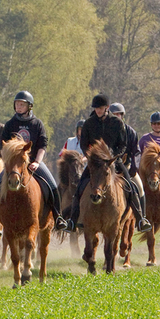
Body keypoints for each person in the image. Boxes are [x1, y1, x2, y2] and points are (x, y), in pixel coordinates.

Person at [0, 91, 67, 237]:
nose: (18, 107)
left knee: (52, 186)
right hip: (14, 165)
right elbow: (4, 145)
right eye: (17, 104)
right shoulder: (11, 124)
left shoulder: (37, 123)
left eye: (22, 104)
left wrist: (37, 162)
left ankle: (58, 217)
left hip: (33, 162)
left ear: (29, 106)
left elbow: (42, 145)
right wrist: (9, 161)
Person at [65, 94, 152, 233]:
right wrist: (91, 156)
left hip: (114, 162)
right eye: (96, 108)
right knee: (80, 187)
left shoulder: (117, 123)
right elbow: (83, 144)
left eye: (100, 108)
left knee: (131, 186)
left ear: (106, 108)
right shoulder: (89, 123)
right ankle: (72, 221)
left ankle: (141, 219)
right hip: (95, 164)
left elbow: (123, 144)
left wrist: (113, 156)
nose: (98, 111)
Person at [109, 103, 146, 226]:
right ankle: (77, 218)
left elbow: (136, 153)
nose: (116, 117)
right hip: (107, 168)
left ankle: (141, 219)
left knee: (139, 189)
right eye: (113, 115)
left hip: (126, 166)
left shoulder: (131, 132)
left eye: (118, 114)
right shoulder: (104, 131)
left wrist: (134, 168)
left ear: (122, 115)